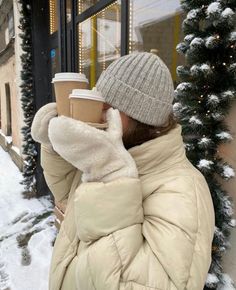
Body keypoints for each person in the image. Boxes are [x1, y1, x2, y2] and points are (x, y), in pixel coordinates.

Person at [31, 52, 215, 290]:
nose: (98, 111)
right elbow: (68, 196)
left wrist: (108, 175)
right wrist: (56, 144)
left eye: (107, 106)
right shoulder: (117, 151)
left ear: (140, 118)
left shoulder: (184, 190)